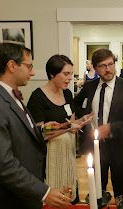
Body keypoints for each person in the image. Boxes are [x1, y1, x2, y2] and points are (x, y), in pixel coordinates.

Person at [0, 43, 72, 209]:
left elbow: (19, 132)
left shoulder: (11, 95)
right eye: (29, 66)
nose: (32, 72)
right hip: (10, 198)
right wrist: (44, 192)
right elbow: (3, 164)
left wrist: (43, 129)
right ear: (12, 66)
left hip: (25, 192)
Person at [74, 48, 123, 204]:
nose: (108, 69)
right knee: (97, 191)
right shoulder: (90, 86)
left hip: (121, 147)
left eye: (111, 64)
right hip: (96, 146)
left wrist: (110, 128)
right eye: (103, 66)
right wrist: (84, 116)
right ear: (95, 68)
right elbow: (76, 103)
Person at [27, 54, 93, 204]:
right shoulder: (37, 97)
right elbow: (40, 135)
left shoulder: (67, 93)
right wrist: (68, 128)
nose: (70, 78)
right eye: (66, 74)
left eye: (71, 73)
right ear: (52, 74)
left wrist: (81, 121)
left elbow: (71, 121)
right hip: (48, 160)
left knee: (70, 198)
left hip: (67, 155)